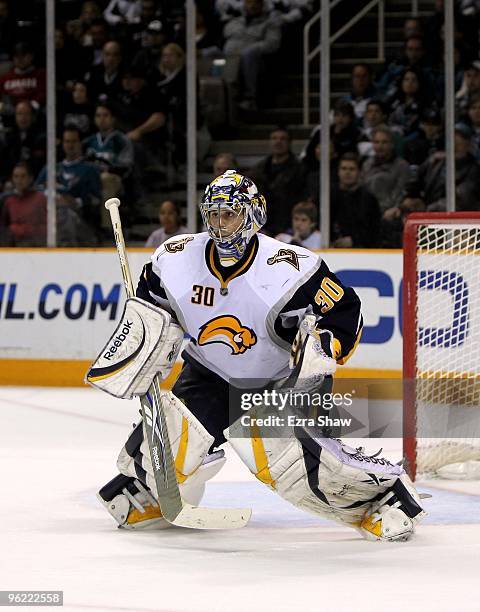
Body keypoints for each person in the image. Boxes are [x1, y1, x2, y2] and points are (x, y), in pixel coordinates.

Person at [93, 169, 426, 540]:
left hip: (281, 381)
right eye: (214, 214)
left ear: (253, 215)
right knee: (165, 446)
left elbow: (346, 311)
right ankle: (162, 489)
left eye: (230, 214)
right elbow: (152, 311)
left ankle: (386, 496)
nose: (220, 225)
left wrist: (323, 344)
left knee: (286, 464)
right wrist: (147, 344)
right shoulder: (173, 258)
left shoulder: (291, 268)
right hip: (210, 374)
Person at [36, 126, 102, 242]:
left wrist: (76, 202)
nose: (70, 145)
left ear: (80, 143)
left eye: (74, 141)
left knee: (65, 215)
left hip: (79, 220)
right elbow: (36, 191)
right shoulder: (51, 168)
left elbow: (96, 198)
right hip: (48, 215)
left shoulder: (89, 169)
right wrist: (52, 197)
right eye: (67, 141)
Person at [223, 0, 282, 111]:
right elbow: (226, 38)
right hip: (231, 57)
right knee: (209, 53)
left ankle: (250, 98)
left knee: (248, 54)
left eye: (256, 3)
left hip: (257, 60)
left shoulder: (270, 23)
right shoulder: (234, 22)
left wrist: (250, 49)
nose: (252, 6)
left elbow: (272, 44)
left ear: (262, 5)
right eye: (249, 2)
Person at [249, 125, 305, 236]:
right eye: (274, 138)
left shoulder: (300, 170)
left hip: (288, 230)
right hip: (263, 229)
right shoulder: (259, 170)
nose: (278, 142)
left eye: (282, 138)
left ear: (289, 143)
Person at [330, 153, 381, 248]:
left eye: (352, 169)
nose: (347, 172)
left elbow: (374, 231)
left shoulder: (369, 199)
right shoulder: (328, 197)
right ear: (338, 171)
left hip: (361, 251)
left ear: (359, 172)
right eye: (344, 168)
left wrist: (354, 241)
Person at [360, 125, 411, 214]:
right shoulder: (367, 164)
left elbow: (400, 194)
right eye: (376, 142)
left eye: (384, 142)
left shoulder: (402, 166)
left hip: (390, 212)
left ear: (392, 144)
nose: (380, 146)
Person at [0, 161, 46, 246]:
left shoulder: (40, 199)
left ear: (30, 178)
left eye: (23, 176)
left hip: (36, 247)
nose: (19, 180)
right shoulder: (8, 200)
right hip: (14, 248)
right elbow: (4, 227)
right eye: (16, 176)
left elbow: (45, 228)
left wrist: (20, 229)